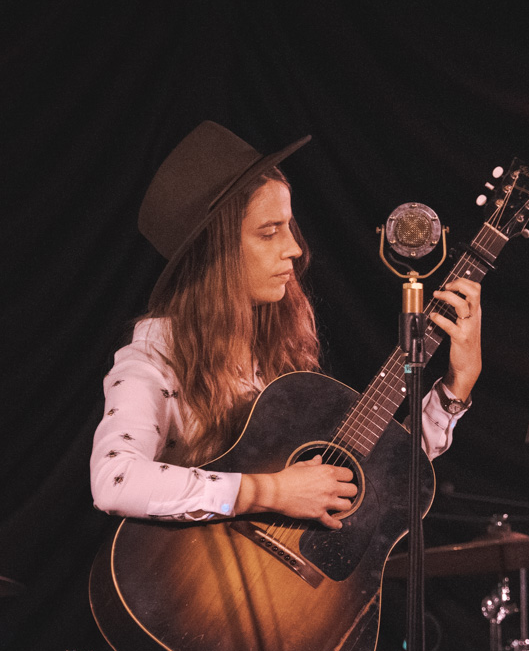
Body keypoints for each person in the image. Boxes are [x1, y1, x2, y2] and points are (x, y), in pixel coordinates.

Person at [91, 120, 482, 530]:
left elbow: (373, 474)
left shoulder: (274, 347)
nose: (294, 249)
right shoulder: (154, 357)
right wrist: (272, 492)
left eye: (289, 228)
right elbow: (114, 481)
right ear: (215, 256)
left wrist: (457, 386)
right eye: (269, 233)